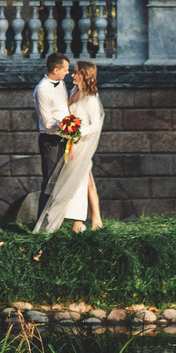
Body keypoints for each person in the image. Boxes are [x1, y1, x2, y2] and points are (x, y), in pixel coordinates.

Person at [35, 60, 107, 233]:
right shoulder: (74, 90)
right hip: (71, 142)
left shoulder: (90, 98)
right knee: (85, 179)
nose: (72, 75)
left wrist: (77, 132)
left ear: (84, 75)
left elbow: (96, 125)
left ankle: (79, 222)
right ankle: (91, 220)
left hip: (81, 143)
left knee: (81, 181)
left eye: (75, 72)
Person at [13, 52, 73, 228]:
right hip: (51, 141)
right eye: (66, 70)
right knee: (50, 181)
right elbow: (47, 123)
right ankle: (42, 224)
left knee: (63, 180)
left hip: (65, 139)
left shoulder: (61, 83)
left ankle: (58, 221)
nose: (67, 73)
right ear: (55, 69)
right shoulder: (42, 90)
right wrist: (67, 127)